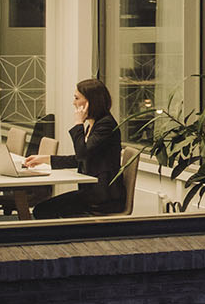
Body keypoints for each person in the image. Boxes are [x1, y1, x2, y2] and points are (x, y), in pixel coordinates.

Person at [22, 77, 127, 219]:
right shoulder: (94, 124)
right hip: (93, 191)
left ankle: (62, 239)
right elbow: (81, 158)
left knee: (42, 210)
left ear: (91, 101)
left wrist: (78, 124)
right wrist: (45, 159)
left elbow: (82, 154)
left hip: (104, 196)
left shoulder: (106, 125)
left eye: (77, 98)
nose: (74, 103)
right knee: (43, 209)